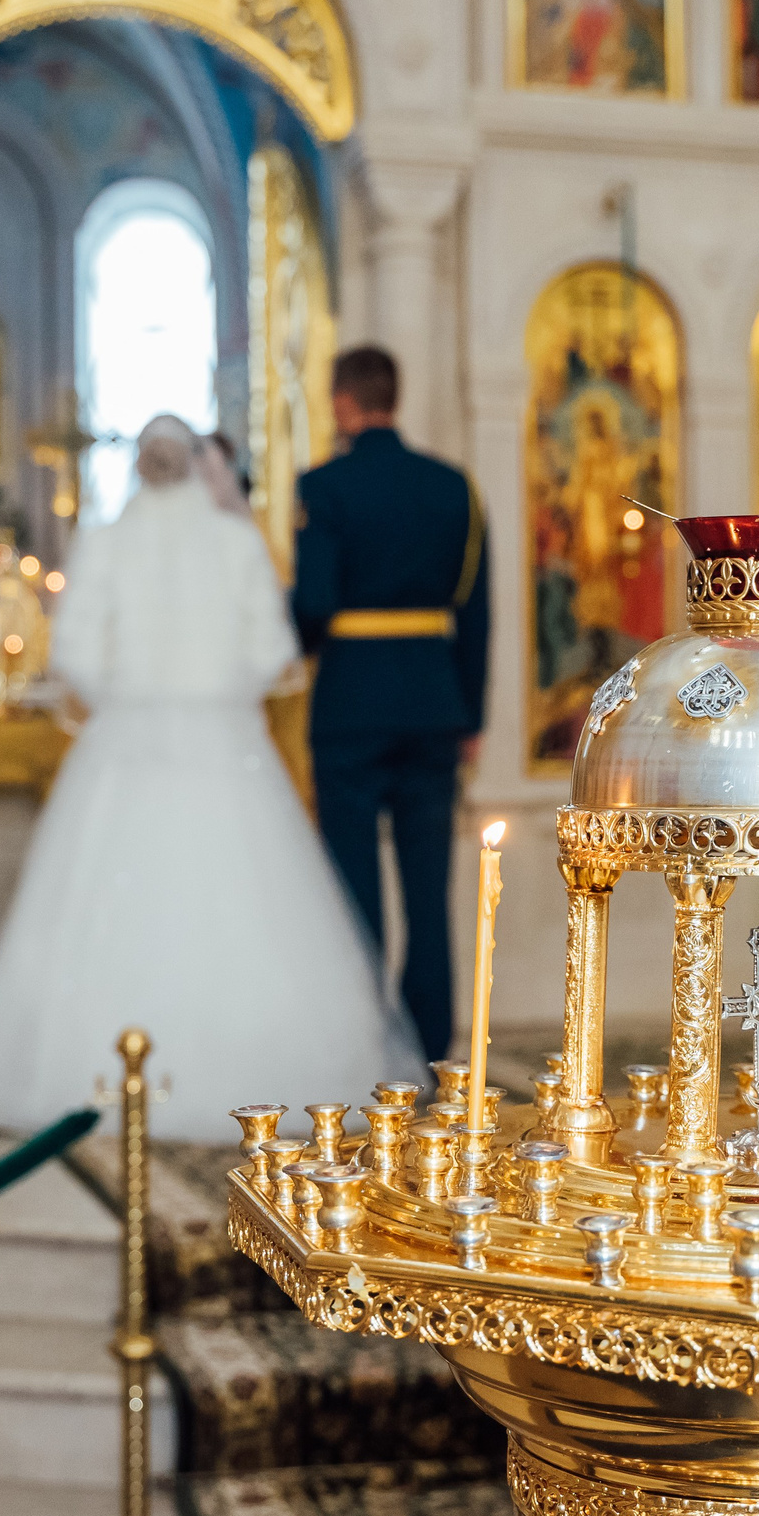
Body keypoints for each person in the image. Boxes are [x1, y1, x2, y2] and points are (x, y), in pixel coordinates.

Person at [0, 416, 418, 1143]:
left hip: (126, 748)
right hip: (223, 748)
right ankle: (259, 1075)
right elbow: (274, 650)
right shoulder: (233, 542)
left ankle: (90, 1074)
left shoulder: (106, 542)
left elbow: (77, 654)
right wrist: (218, 696)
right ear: (194, 468)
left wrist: (131, 697)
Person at [292, 347, 491, 1061]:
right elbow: (477, 611)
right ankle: (433, 1044)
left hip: (350, 701)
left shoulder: (324, 485)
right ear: (393, 397)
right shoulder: (454, 488)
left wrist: (287, 633)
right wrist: (470, 714)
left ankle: (366, 1043)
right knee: (428, 890)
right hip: (435, 704)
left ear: (344, 402)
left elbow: (314, 603)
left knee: (354, 886)